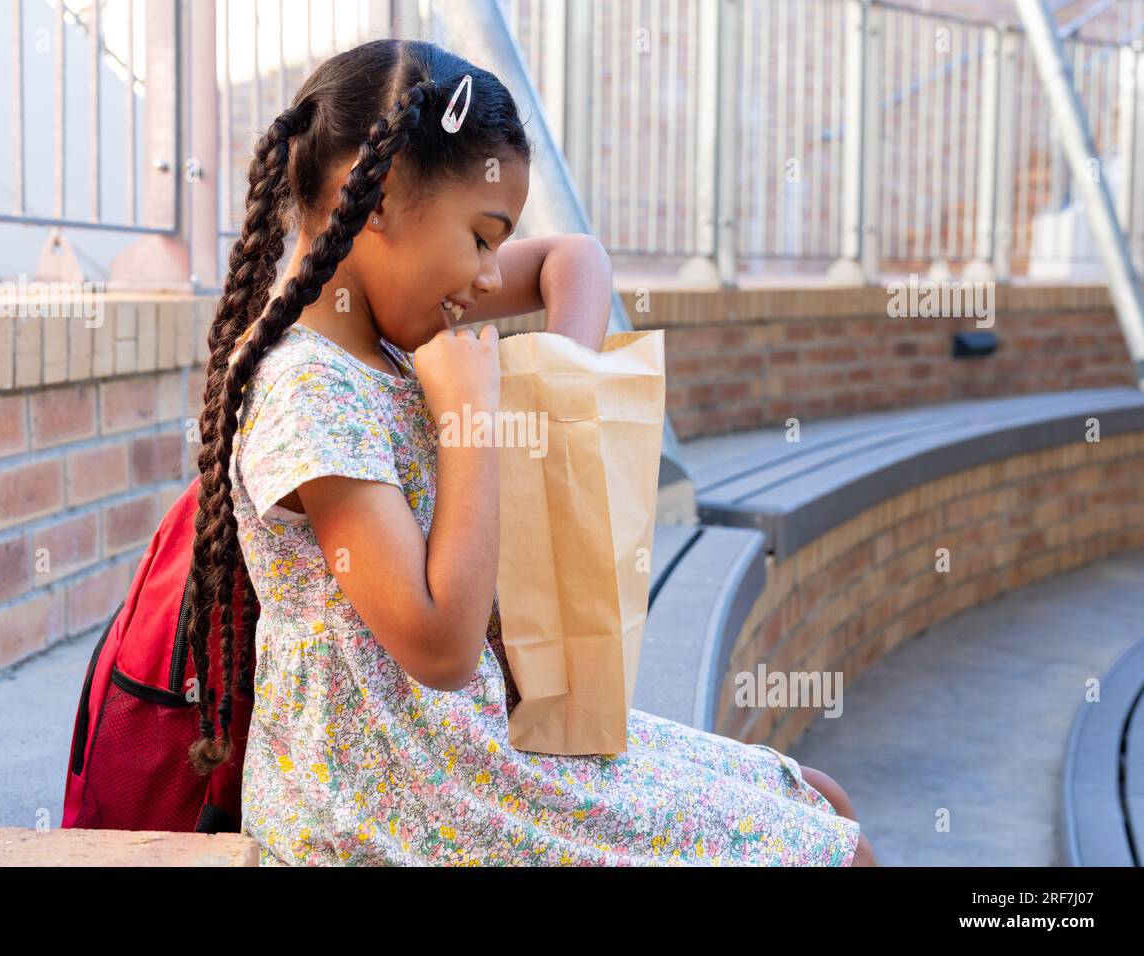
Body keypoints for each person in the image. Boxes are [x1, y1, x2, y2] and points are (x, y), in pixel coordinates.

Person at [182, 37, 876, 867]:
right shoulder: (308, 391)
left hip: (471, 747)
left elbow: (572, 259)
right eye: (480, 238)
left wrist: (557, 393)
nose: (486, 277)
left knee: (816, 794)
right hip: (392, 799)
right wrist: (471, 417)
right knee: (834, 851)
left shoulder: (383, 319)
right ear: (377, 200)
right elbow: (437, 648)